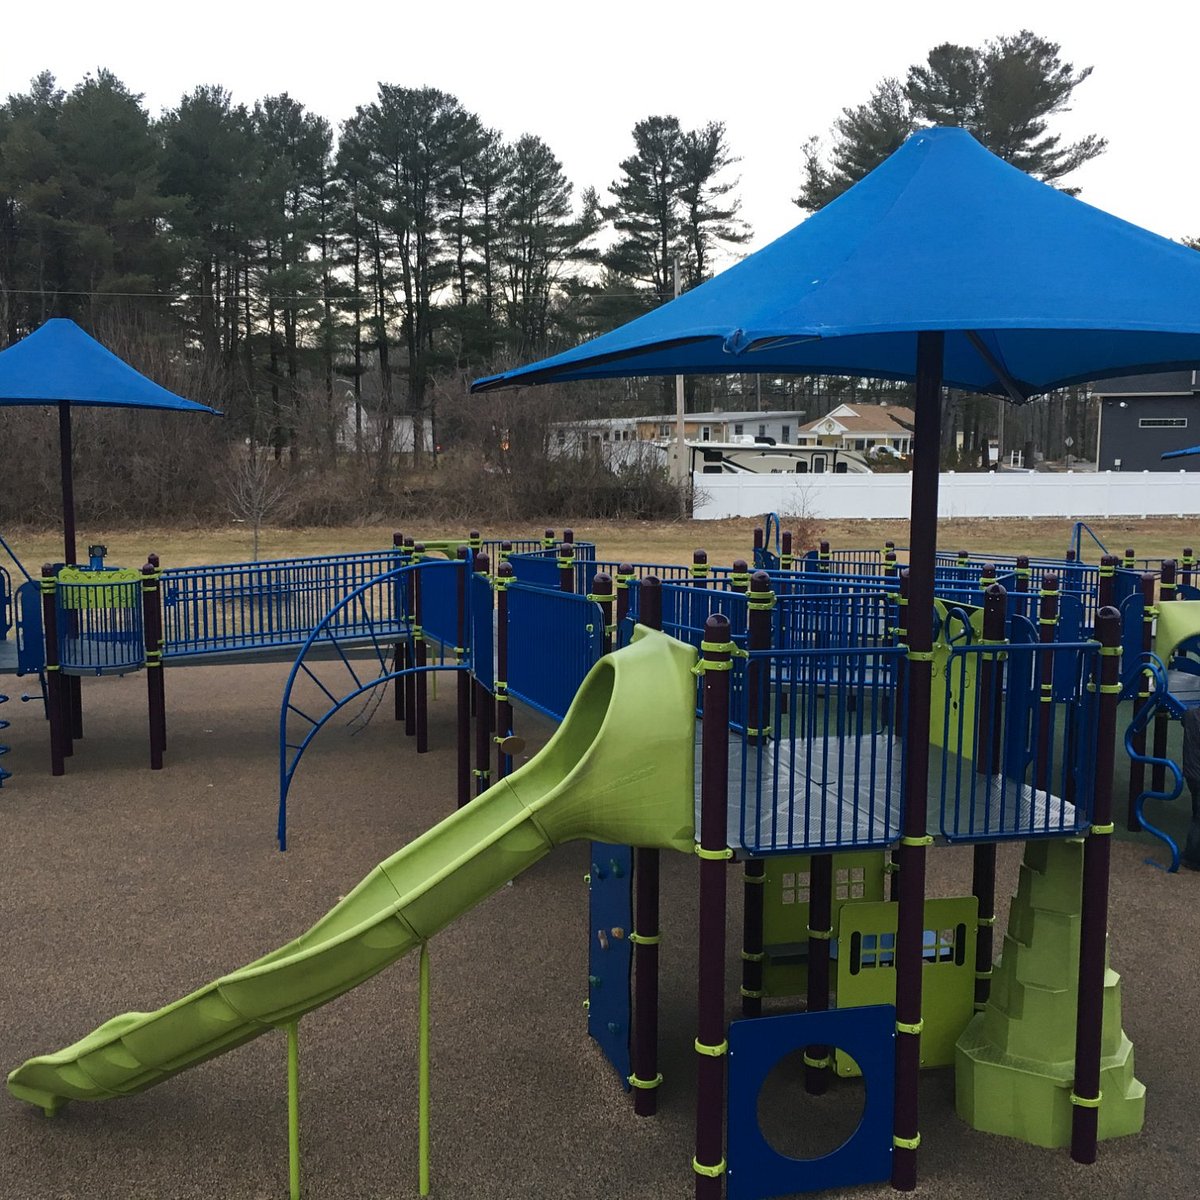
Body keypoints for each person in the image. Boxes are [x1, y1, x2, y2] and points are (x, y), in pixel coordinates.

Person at [1178, 706, 1200, 870]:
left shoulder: (1190, 714)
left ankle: (1192, 856)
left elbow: (1184, 720)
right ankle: (1193, 858)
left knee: (1197, 812)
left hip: (1192, 772)